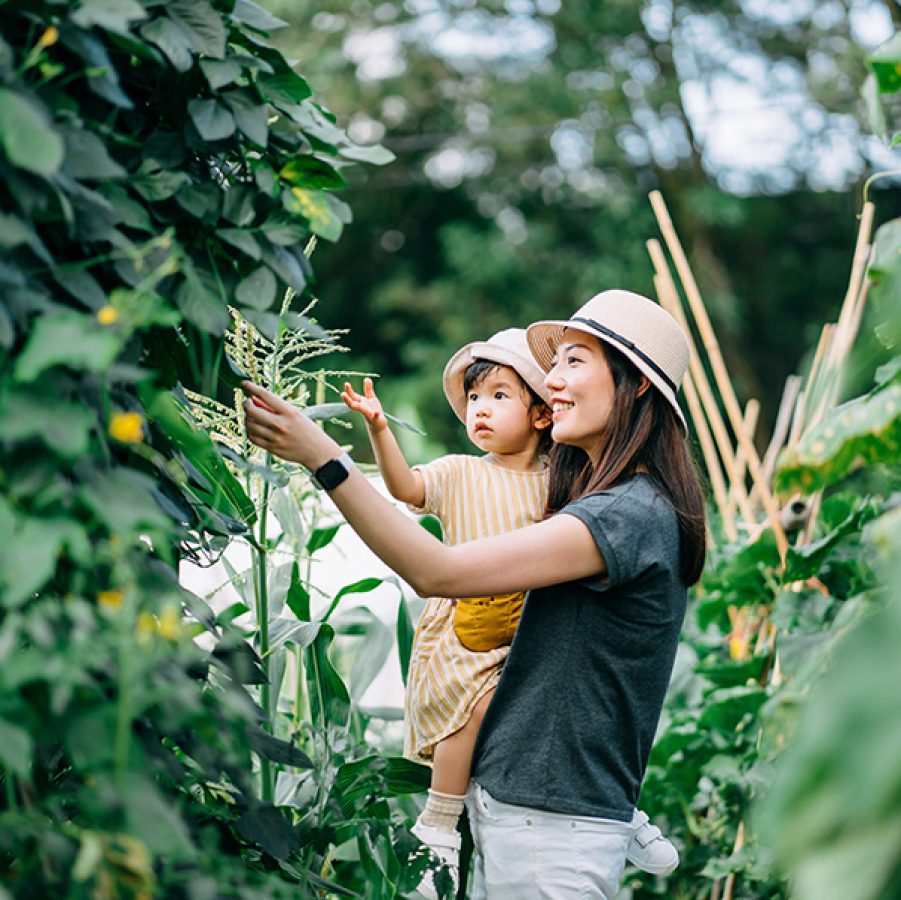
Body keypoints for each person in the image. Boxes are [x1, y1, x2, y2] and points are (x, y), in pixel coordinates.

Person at [243, 289, 706, 899]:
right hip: (530, 814)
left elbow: (437, 571)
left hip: (552, 832)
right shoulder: (603, 501)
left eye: (574, 362)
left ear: (637, 384)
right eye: (555, 363)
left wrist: (325, 459)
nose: (554, 381)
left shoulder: (626, 514)